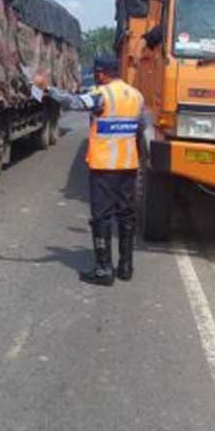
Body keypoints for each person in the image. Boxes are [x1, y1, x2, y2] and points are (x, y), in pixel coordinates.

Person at [34, 55, 145, 286]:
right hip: (128, 165)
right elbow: (140, 128)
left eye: (97, 73)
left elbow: (72, 102)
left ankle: (104, 269)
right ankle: (126, 266)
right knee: (126, 215)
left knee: (101, 217)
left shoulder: (101, 95)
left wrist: (47, 88)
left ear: (102, 73)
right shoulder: (136, 95)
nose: (96, 76)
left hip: (105, 167)